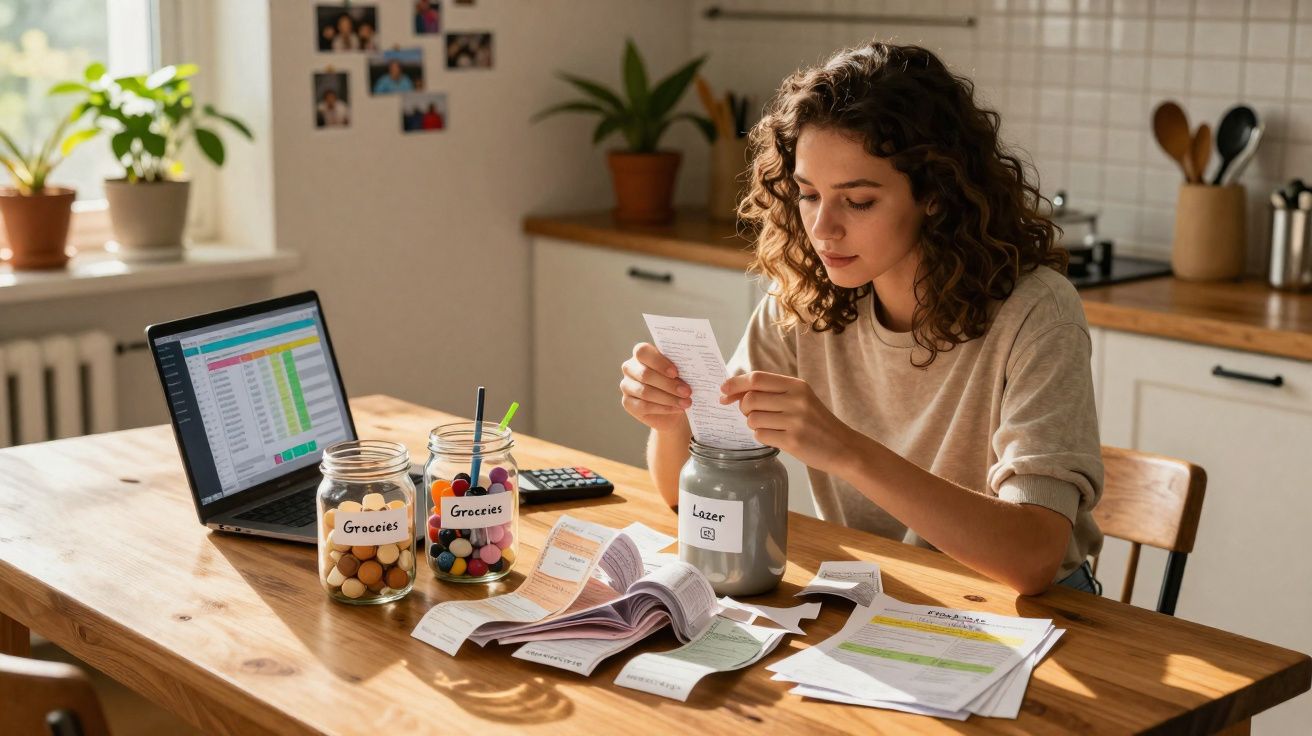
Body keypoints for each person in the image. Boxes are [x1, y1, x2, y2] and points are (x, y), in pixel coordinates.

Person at [618, 42, 1104, 597]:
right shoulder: (805, 300)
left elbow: (1034, 557)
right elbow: (690, 499)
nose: (823, 229)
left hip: (1040, 613)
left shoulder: (1036, 311)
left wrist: (846, 450)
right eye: (807, 194)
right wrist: (671, 420)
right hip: (890, 595)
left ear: (937, 196)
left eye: (860, 201)